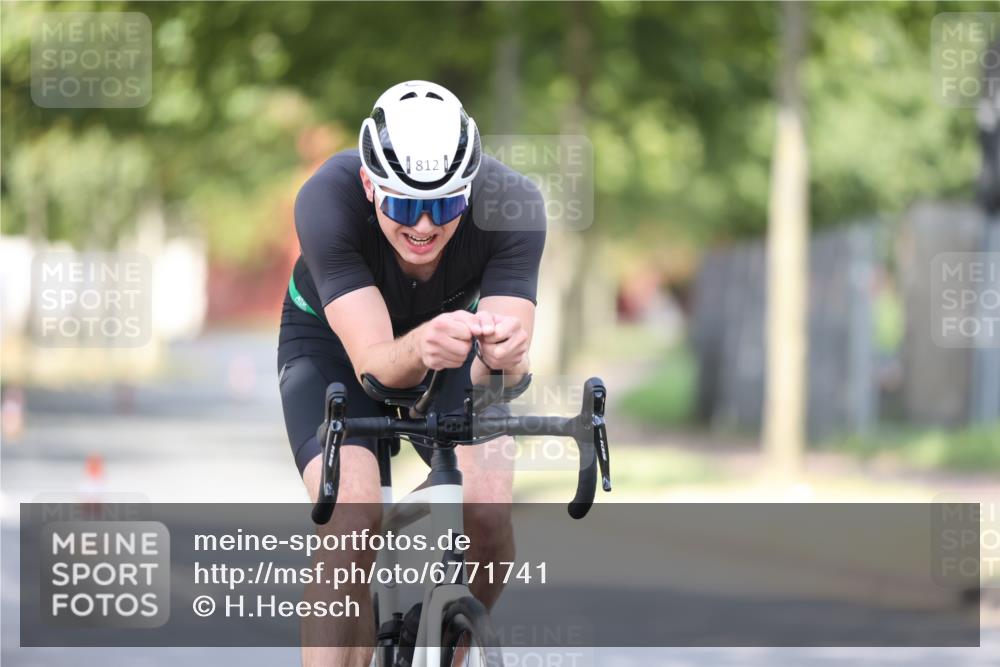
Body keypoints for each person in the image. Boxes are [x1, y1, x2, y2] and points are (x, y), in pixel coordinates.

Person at [277, 80, 546, 666]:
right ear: (369, 184)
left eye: (445, 205)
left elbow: (503, 374)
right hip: (335, 347)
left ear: (469, 190)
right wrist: (423, 345)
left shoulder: (514, 204)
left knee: (490, 514)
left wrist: (505, 356)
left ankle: (445, 646)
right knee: (352, 519)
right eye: (403, 206)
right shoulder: (326, 198)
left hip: (451, 341)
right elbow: (378, 370)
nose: (424, 225)